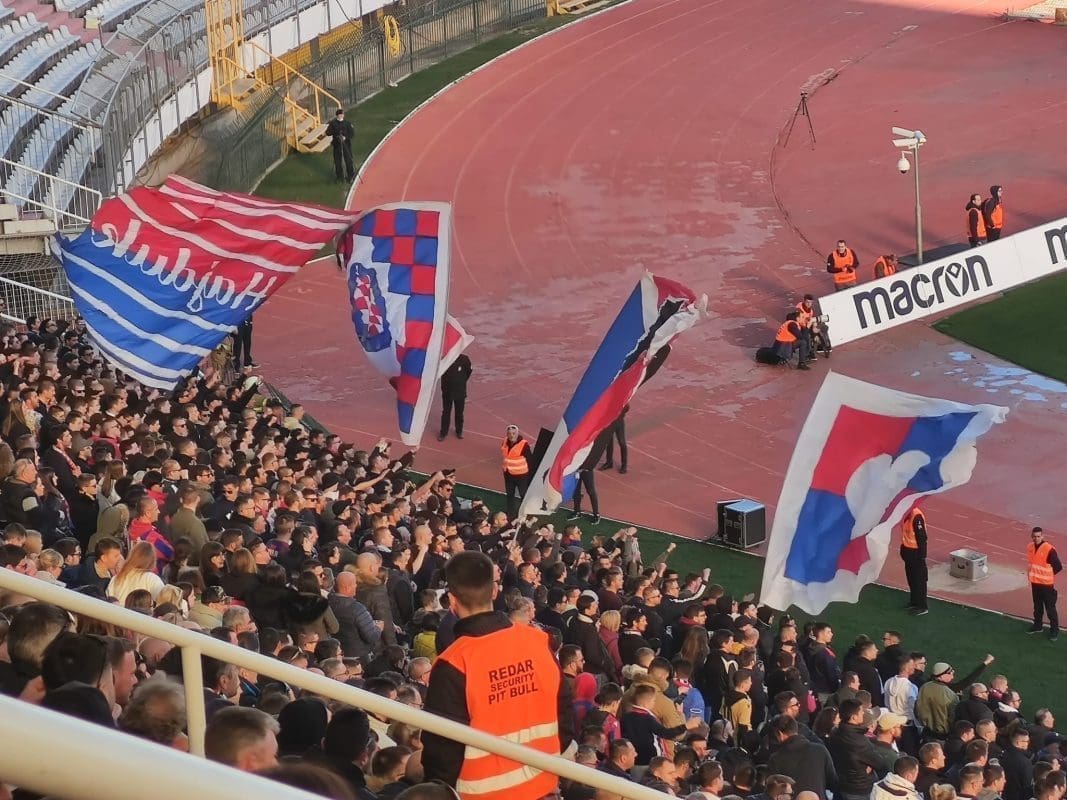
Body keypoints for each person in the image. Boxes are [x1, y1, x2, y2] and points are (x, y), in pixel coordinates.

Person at [421, 551, 571, 800]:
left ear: (452, 600)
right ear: (494, 592)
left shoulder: (453, 661)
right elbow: (565, 709)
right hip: (542, 784)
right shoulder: (537, 641)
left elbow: (441, 751)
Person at [1026, 526, 1061, 641]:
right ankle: (1037, 626)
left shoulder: (1049, 549)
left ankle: (1054, 630)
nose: (1036, 538)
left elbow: (1058, 567)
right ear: (1032, 536)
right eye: (1034, 536)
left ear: (1042, 536)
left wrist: (1048, 576)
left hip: (1046, 585)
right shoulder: (1030, 547)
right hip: (1035, 583)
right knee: (1037, 607)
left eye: (1038, 536)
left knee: (1050, 609)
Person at [900, 505, 929, 615]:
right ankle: (914, 602)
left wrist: (921, 555)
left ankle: (922, 606)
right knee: (911, 579)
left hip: (916, 555)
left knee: (919, 581)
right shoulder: (906, 514)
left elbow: (922, 537)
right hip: (908, 554)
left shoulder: (916, 516)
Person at [500, 424, 532, 519]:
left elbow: (530, 459)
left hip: (521, 475)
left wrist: (529, 474)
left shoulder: (524, 445)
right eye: (509, 433)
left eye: (513, 433)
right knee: (510, 494)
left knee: (523, 494)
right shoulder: (504, 441)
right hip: (508, 474)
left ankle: (524, 513)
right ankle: (510, 513)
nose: (511, 435)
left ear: (517, 433)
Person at [438, 353, 472, 441]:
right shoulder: (445, 359)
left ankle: (459, 431)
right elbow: (439, 372)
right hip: (447, 391)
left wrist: (461, 381)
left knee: (459, 413)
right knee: (446, 412)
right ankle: (443, 433)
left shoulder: (464, 359)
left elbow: (468, 372)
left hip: (460, 392)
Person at [326, 108, 355, 183]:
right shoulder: (333, 123)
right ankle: (340, 177)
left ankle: (351, 176)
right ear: (337, 115)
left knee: (348, 160)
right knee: (337, 161)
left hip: (346, 145)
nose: (341, 116)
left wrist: (345, 137)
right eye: (340, 114)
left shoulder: (347, 123)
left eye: (342, 114)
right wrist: (335, 134)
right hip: (337, 145)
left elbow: (351, 134)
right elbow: (328, 132)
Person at [599, 407, 628, 475]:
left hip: (618, 421)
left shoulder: (621, 398)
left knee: (622, 442)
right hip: (610, 421)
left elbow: (627, 407)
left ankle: (624, 465)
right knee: (609, 441)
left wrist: (621, 413)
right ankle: (609, 462)